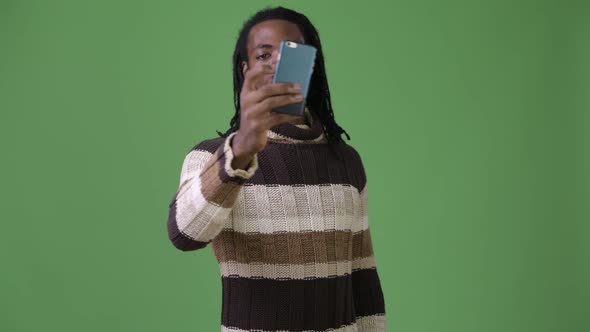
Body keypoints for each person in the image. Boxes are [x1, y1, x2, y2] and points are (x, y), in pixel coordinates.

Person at [167, 6, 387, 331]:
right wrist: (240, 151)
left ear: (310, 69)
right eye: (264, 55)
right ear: (246, 69)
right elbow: (183, 234)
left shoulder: (346, 161)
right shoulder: (210, 157)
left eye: (291, 54)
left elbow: (363, 275)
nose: (277, 65)